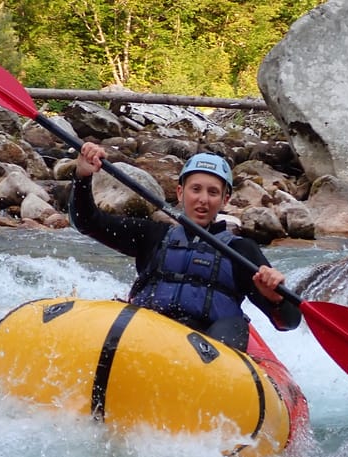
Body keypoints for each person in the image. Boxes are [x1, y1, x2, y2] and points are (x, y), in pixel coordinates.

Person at [70, 142, 301, 350]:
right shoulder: (152, 235)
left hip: (204, 351)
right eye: (195, 189)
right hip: (145, 337)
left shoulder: (242, 251)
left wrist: (275, 298)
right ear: (180, 192)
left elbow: (290, 322)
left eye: (213, 192)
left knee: (235, 324)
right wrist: (82, 176)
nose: (203, 199)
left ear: (225, 200)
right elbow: (87, 222)